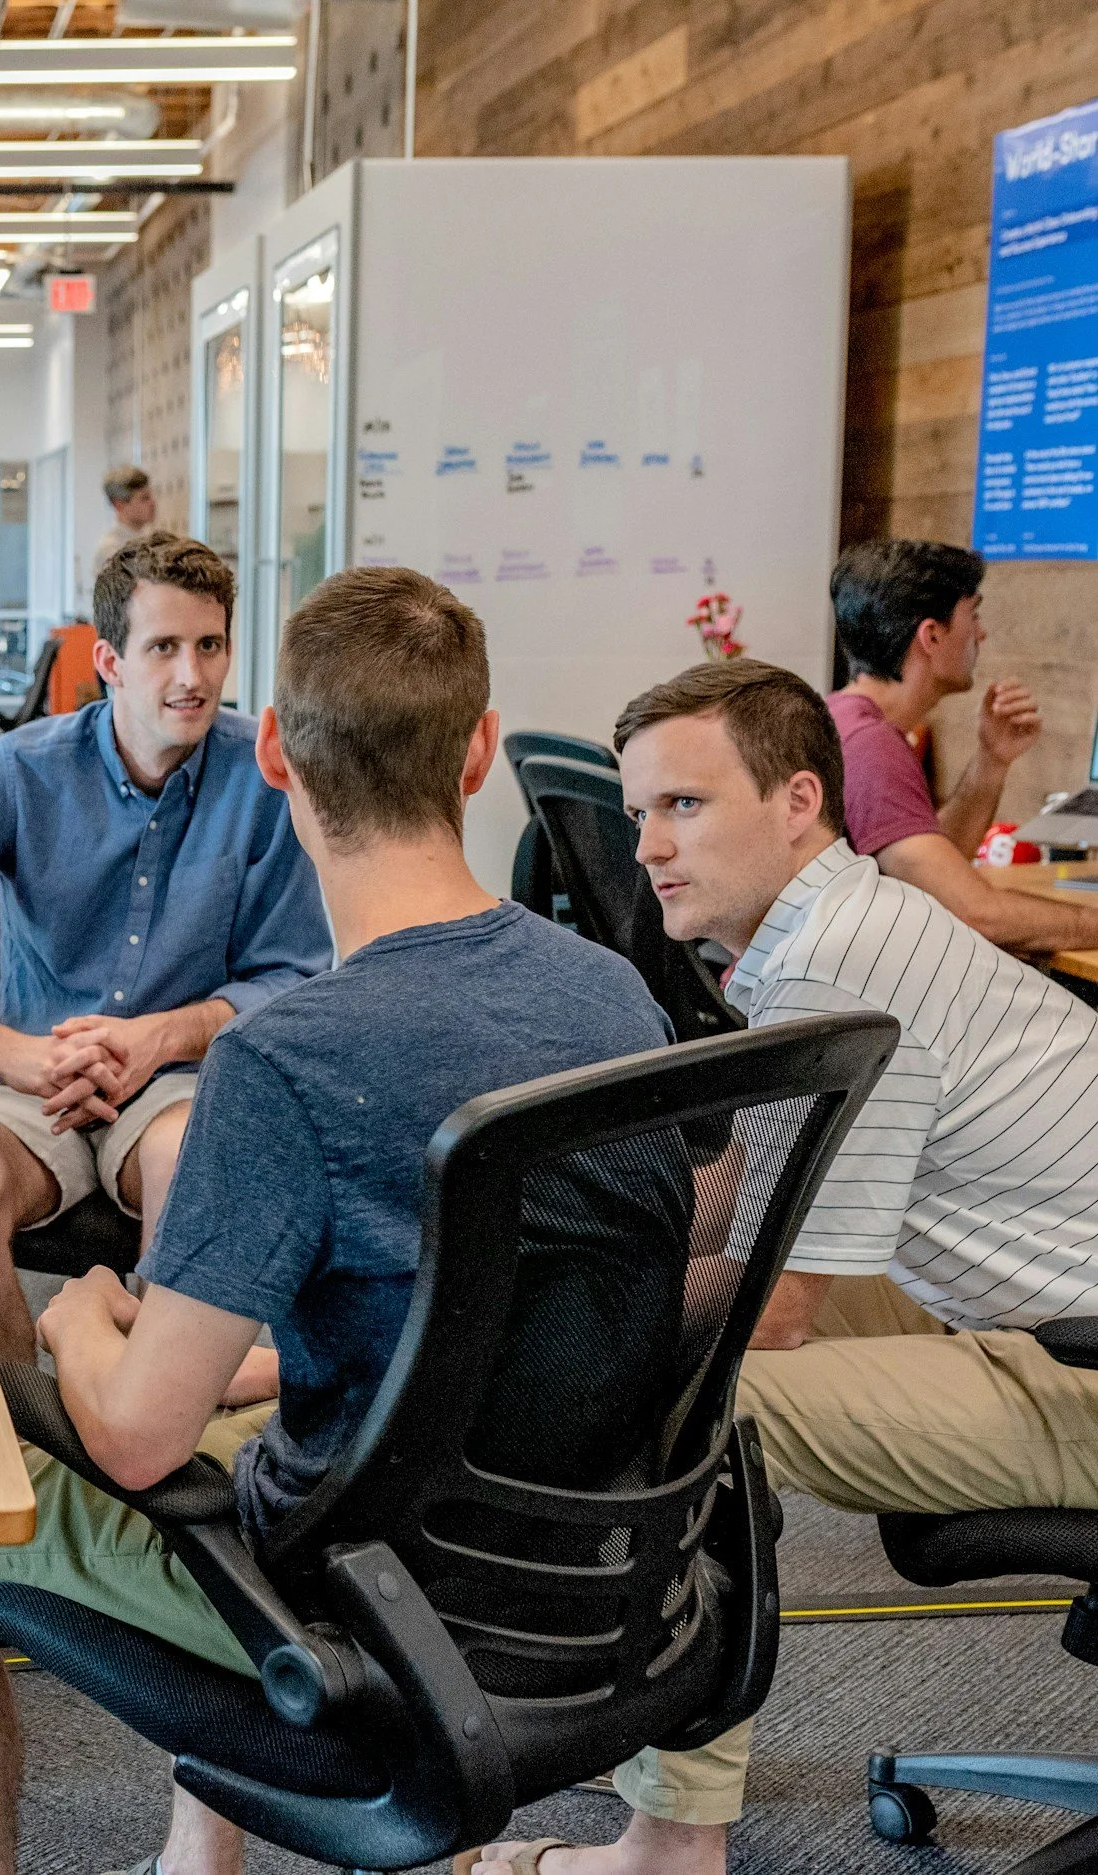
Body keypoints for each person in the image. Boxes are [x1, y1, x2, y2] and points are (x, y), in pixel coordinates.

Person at [0, 565, 677, 1875]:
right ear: (478, 752)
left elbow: (130, 1439)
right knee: (239, 1404)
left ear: (279, 752)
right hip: (598, 1586)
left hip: (359, 1613)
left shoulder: (286, 1064)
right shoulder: (616, 995)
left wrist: (83, 1314)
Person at [474, 658, 1098, 1875]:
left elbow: (768, 1305)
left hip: (1075, 1366)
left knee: (705, 1404)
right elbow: (734, 1201)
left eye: (685, 807)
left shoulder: (835, 965)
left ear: (800, 800)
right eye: (639, 808)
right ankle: (650, 1695)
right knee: (646, 1319)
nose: (647, 845)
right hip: (1030, 1305)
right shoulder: (828, 930)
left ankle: (670, 1841)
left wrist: (517, 1342)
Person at [0, 532, 330, 1367]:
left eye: (210, 646)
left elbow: (298, 978)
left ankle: (146, 1426)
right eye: (163, 647)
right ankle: (30, 1430)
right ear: (110, 660)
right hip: (28, 1075)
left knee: (191, 1170)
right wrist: (9, 1053)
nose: (192, 677)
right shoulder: (19, 773)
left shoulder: (266, 779)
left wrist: (159, 1038)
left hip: (178, 1081)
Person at [826, 539, 1098, 950]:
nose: (981, 632)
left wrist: (992, 760)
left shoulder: (846, 718)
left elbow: (933, 872)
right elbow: (972, 911)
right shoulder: (870, 747)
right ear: (932, 636)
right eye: (973, 614)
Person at [92, 464, 158, 570]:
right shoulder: (110, 550)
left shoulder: (151, 538)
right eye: (144, 498)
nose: (153, 503)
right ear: (119, 505)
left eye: (151, 496)